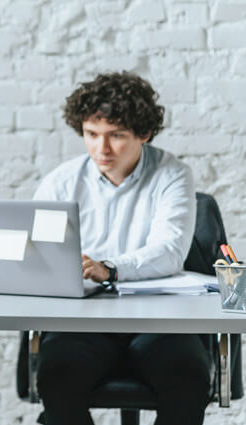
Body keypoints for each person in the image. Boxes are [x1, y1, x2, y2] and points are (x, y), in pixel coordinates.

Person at [33, 72, 207, 425]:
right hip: (83, 324)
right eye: (91, 135)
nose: (102, 149)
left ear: (143, 134)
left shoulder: (172, 175)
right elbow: (37, 254)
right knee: (57, 376)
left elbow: (170, 250)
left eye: (116, 136)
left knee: (188, 377)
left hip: (159, 322)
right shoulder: (62, 181)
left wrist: (109, 268)